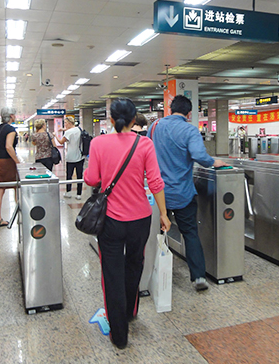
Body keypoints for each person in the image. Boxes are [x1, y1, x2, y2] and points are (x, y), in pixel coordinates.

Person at [84, 98, 171, 350]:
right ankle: (131, 311)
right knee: (135, 264)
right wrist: (164, 214)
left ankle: (119, 336)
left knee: (111, 273)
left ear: (111, 119)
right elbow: (155, 182)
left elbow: (91, 179)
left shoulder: (99, 143)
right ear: (135, 120)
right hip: (140, 220)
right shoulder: (144, 144)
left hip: (110, 220)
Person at [148, 95, 227, 291]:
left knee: (154, 234)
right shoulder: (190, 130)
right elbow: (199, 155)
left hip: (157, 193)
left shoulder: (155, 127)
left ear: (170, 109)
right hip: (182, 193)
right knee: (190, 233)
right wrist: (213, 162)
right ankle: (198, 277)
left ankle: (149, 274)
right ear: (189, 114)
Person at [0, 106, 20, 228]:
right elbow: (8, 146)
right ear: (11, 116)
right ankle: (21, 214)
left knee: (0, 189)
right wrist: (17, 161)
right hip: (6, 161)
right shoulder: (11, 129)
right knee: (16, 186)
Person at [58, 116, 84, 200]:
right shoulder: (79, 129)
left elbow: (61, 142)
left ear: (69, 123)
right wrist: (63, 129)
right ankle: (79, 194)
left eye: (65, 123)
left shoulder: (68, 132)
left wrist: (55, 136)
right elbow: (72, 132)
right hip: (80, 156)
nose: (64, 125)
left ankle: (68, 192)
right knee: (79, 175)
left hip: (70, 157)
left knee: (69, 175)